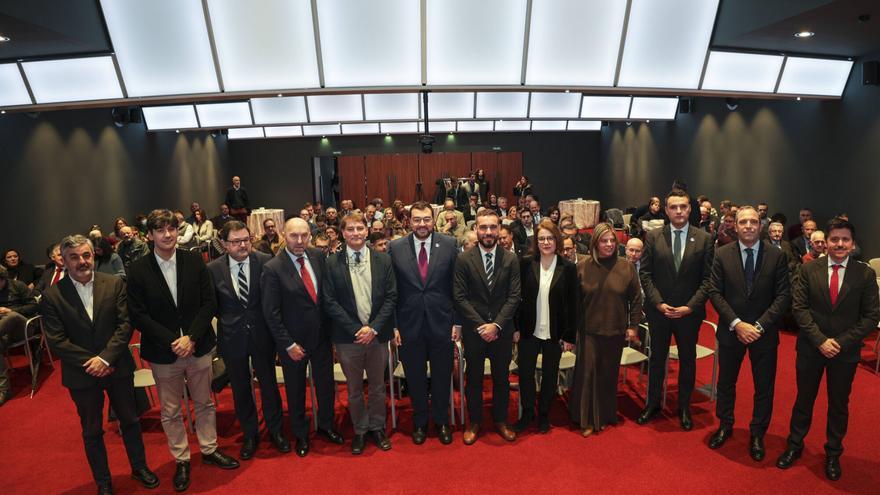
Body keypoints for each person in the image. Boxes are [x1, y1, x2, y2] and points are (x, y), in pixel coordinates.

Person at [127, 209, 238, 492]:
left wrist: (190, 337)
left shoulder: (193, 260)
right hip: (163, 352)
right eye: (161, 230)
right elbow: (138, 315)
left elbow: (209, 303)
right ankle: (182, 459)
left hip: (198, 346)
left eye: (172, 229)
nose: (168, 235)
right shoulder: (138, 269)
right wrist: (172, 340)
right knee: (171, 411)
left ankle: (209, 449)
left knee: (205, 403)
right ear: (149, 235)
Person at [40, 235, 159, 494]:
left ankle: (140, 468)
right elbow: (57, 340)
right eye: (74, 257)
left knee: (130, 421)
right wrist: (92, 362)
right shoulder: (52, 295)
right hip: (81, 375)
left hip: (118, 367)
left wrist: (105, 358)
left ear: (93, 255)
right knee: (92, 431)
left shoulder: (114, 283)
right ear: (64, 260)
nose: (82, 261)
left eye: (86, 255)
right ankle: (103, 482)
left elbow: (125, 325)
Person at [776, 218, 880, 480]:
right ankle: (795, 445)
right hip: (812, 348)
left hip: (844, 354)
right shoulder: (809, 269)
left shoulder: (865, 274)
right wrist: (821, 340)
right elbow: (799, 309)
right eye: (835, 239)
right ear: (826, 242)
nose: (840, 244)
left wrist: (841, 342)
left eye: (845, 239)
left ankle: (833, 453)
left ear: (853, 243)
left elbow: (870, 317)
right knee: (804, 400)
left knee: (838, 405)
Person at [707, 206, 791, 462]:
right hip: (732, 331)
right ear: (736, 225)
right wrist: (736, 323)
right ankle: (725, 425)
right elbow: (715, 292)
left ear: (760, 225)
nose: (749, 226)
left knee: (764, 387)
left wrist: (759, 326)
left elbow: (783, 295)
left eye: (754, 221)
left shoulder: (777, 256)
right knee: (726, 383)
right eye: (743, 222)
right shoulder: (722, 254)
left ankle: (757, 434)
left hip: (763, 334)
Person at [261, 217, 344, 457]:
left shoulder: (318, 257)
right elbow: (271, 312)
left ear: (310, 235)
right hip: (293, 344)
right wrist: (287, 344)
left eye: (304, 235)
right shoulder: (273, 268)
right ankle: (300, 435)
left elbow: (324, 298)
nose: (299, 241)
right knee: (296, 391)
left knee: (326, 385)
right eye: (293, 236)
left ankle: (326, 426)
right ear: (283, 235)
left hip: (321, 339)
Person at [207, 221, 289, 460]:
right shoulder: (212, 269)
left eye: (246, 239)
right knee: (241, 388)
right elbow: (212, 305)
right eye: (236, 241)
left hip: (263, 335)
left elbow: (275, 300)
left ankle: (276, 431)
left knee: (269, 385)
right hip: (232, 338)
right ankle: (250, 434)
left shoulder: (266, 261)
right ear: (224, 244)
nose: (243, 245)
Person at [637, 189, 714, 431]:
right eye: (673, 207)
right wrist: (659, 303)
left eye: (683, 206)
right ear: (666, 210)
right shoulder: (653, 236)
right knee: (657, 359)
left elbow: (708, 280)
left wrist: (689, 307)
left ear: (690, 209)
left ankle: (684, 407)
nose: (678, 211)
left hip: (688, 314)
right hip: (659, 311)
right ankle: (652, 404)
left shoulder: (704, 239)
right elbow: (645, 274)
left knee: (688, 361)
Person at [323, 212, 397, 455]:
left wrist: (373, 328)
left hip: (377, 335)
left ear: (367, 231)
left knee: (377, 386)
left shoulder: (383, 260)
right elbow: (330, 301)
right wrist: (357, 329)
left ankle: (377, 427)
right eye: (350, 229)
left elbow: (391, 297)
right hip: (348, 338)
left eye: (359, 228)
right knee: (354, 388)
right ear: (343, 233)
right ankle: (360, 430)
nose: (355, 233)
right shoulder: (332, 263)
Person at [388, 201, 460, 445]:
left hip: (442, 323)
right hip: (409, 325)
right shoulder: (395, 247)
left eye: (426, 219)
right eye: (417, 219)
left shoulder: (450, 245)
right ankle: (419, 421)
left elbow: (456, 287)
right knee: (415, 377)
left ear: (434, 219)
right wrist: (394, 325)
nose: (422, 224)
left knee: (441, 375)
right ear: (409, 221)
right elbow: (392, 291)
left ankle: (440, 421)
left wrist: (457, 322)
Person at [454, 209, 521, 445]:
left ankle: (501, 420)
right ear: (476, 229)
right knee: (473, 379)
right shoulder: (463, 259)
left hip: (502, 330)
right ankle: (475, 421)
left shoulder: (511, 259)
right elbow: (460, 298)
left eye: (493, 227)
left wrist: (496, 325)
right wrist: (482, 325)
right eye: (483, 227)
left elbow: (514, 297)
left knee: (502, 377)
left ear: (500, 228)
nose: (488, 232)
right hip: (475, 331)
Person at [569, 223, 642, 437]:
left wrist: (633, 326)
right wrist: (570, 332)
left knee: (608, 375)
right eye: (604, 241)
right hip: (588, 330)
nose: (609, 244)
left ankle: (606, 414)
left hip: (616, 330)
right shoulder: (582, 266)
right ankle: (587, 419)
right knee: (588, 375)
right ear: (595, 243)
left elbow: (636, 300)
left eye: (612, 240)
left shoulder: (626, 267)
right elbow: (573, 303)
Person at [514, 220, 576, 434]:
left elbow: (572, 304)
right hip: (528, 330)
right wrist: (515, 327)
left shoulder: (568, 268)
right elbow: (516, 298)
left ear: (557, 240)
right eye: (542, 238)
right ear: (536, 241)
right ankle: (528, 412)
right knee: (525, 374)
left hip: (555, 333)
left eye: (550, 238)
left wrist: (569, 335)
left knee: (550, 375)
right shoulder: (525, 263)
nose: (546, 242)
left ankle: (544, 414)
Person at [0, 265, 39, 406]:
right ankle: (4, 390)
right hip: (3, 333)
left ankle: (10, 313)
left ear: (3, 279)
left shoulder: (18, 286)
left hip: (24, 327)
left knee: (12, 316)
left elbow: (34, 306)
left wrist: (9, 309)